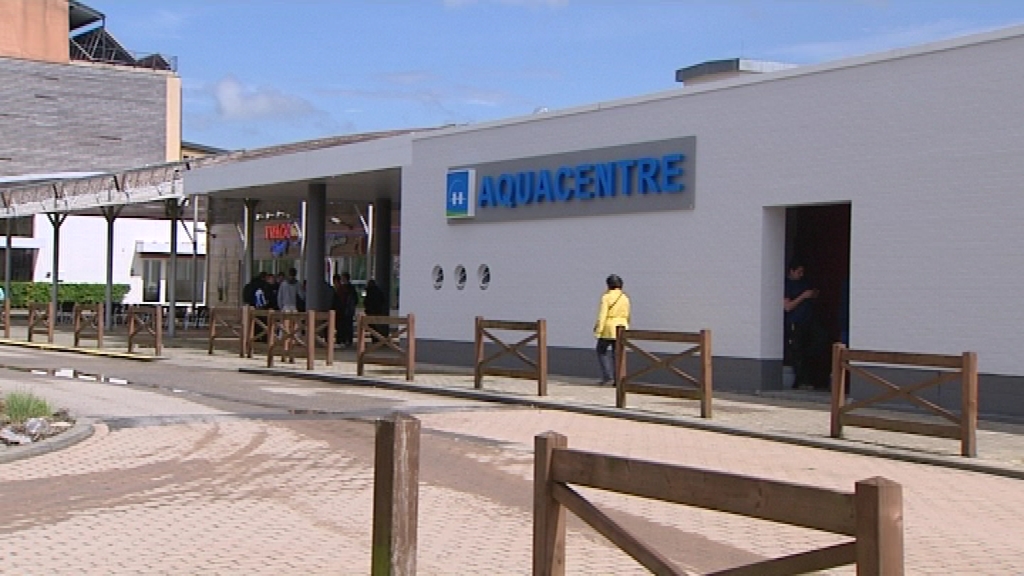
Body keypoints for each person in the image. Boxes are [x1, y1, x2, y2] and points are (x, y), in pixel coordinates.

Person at [784, 260, 827, 390]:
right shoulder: (786, 285)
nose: (801, 275)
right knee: (797, 352)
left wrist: (813, 294)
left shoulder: (805, 282)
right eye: (799, 272)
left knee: (818, 343)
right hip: (795, 322)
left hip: (809, 321)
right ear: (791, 271)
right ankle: (801, 381)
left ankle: (816, 378)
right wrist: (803, 296)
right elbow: (787, 307)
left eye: (802, 272)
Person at [593, 274, 630, 385]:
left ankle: (607, 376)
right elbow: (628, 314)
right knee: (617, 354)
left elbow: (602, 314)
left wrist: (598, 330)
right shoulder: (625, 298)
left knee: (601, 351)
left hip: (608, 328)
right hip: (622, 327)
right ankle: (618, 379)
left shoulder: (606, 297)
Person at [333, 272, 359, 347]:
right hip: (347, 311)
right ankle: (346, 340)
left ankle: (342, 340)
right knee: (346, 326)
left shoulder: (342, 289)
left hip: (343, 310)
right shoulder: (350, 288)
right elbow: (355, 300)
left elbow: (338, 300)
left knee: (343, 326)